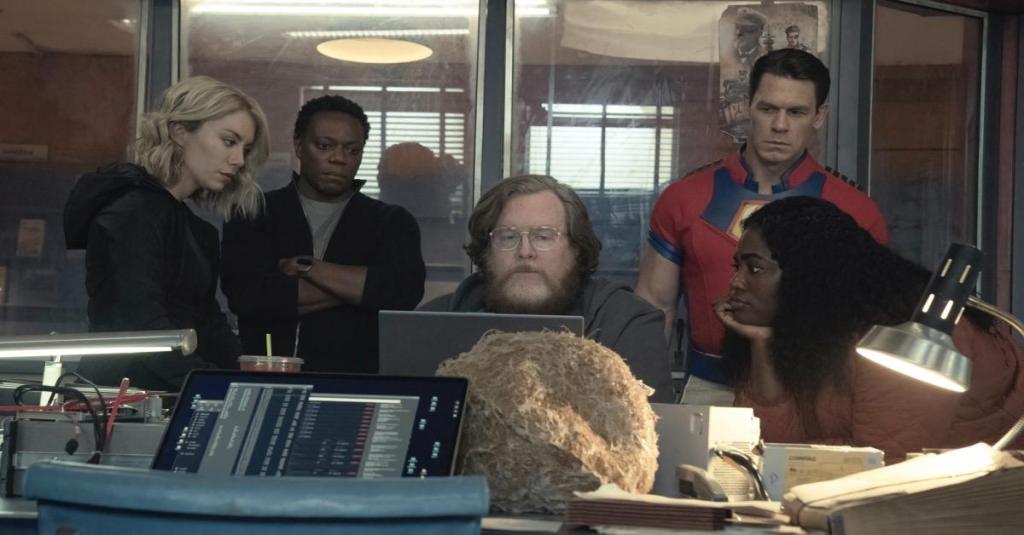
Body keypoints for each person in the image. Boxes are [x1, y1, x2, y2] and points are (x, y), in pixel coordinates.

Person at [635, 48, 888, 404]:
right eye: (768, 109)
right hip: (711, 388)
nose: (780, 126)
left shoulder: (856, 210)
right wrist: (641, 402)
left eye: (796, 112)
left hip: (815, 392)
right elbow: (653, 309)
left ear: (819, 116)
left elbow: (869, 324)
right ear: (747, 108)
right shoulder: (685, 198)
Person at [717, 196, 1024, 462]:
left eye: (755, 268)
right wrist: (762, 346)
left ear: (808, 272)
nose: (735, 283)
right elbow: (768, 448)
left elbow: (885, 463)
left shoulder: (907, 335)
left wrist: (809, 454)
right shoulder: (812, 330)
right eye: (737, 267)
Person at [63, 76, 270, 391]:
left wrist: (247, 375)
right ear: (180, 132)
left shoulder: (197, 230)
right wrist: (209, 383)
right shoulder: (132, 212)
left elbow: (207, 321)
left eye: (246, 148)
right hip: (123, 398)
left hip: (167, 392)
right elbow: (141, 322)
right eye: (229, 141)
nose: (239, 160)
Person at [421, 175, 674, 402]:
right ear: (485, 252)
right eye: (508, 237)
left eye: (543, 236)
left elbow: (651, 432)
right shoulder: (432, 323)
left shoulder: (625, 323)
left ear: (576, 249)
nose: (525, 252)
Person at [221, 95, 425, 373]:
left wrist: (307, 268)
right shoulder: (254, 212)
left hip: (357, 381)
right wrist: (360, 291)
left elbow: (402, 292)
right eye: (324, 146)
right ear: (298, 146)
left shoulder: (391, 222)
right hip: (270, 374)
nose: (339, 159)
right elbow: (249, 296)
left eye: (352, 150)